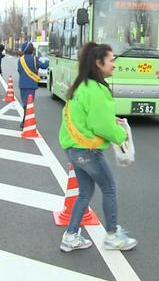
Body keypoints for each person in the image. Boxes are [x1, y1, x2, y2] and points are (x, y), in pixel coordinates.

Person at [58, 42, 137, 253]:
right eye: (111, 60)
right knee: (109, 188)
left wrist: (110, 121)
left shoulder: (81, 85)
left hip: (73, 148)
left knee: (85, 192)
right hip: (88, 151)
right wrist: (121, 135)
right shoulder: (97, 90)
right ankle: (112, 236)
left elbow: (87, 117)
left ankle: (70, 236)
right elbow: (101, 126)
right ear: (98, 62)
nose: (114, 64)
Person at [17, 41, 48, 127]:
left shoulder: (20, 60)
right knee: (29, 103)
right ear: (32, 49)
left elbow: (19, 71)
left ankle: (25, 120)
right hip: (31, 85)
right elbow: (43, 66)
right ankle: (25, 120)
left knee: (25, 103)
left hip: (22, 84)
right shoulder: (34, 59)